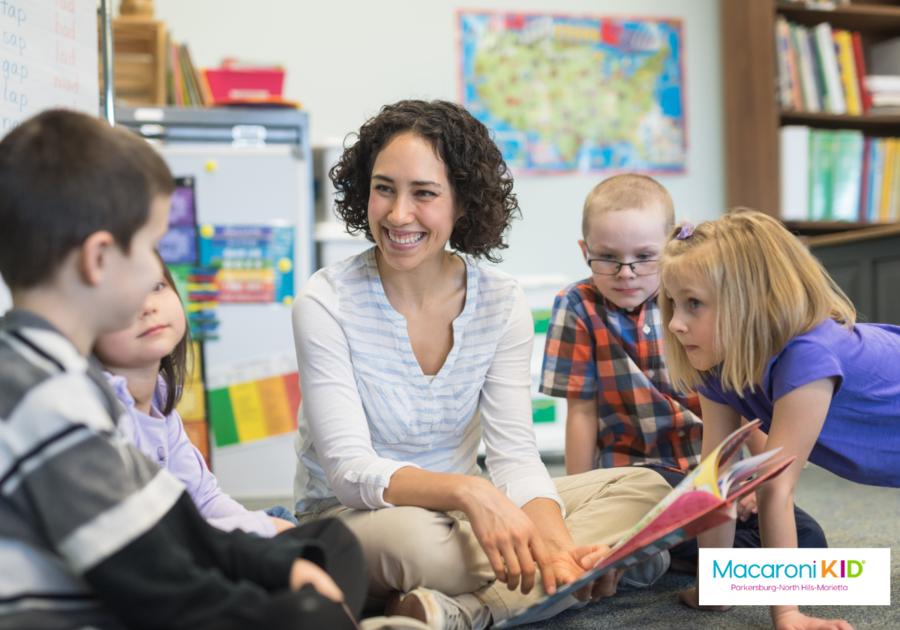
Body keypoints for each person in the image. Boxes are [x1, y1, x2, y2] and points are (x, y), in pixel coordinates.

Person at [291, 100, 673, 630]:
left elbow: (514, 455)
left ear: (463, 203)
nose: (399, 213)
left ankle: (466, 612)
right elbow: (350, 471)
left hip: (469, 517)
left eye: (424, 193)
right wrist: (472, 493)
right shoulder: (325, 300)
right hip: (356, 519)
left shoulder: (500, 300)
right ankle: (601, 564)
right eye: (384, 188)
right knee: (423, 545)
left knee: (649, 490)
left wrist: (558, 546)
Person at [0, 110, 367, 630]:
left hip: (144, 580)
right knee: (309, 615)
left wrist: (281, 566)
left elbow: (174, 525)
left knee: (320, 560)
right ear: (98, 260)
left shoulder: (57, 375)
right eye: (151, 247)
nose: (160, 271)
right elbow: (155, 583)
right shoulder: (43, 395)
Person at [539, 176, 827, 571]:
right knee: (653, 510)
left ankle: (652, 553)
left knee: (810, 541)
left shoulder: (700, 304)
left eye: (644, 256)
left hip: (711, 475)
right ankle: (646, 548)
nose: (626, 273)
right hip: (639, 482)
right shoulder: (577, 306)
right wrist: (578, 496)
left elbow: (742, 404)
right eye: (607, 257)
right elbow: (581, 412)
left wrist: (756, 483)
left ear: (671, 249)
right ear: (584, 251)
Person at [659, 209, 900, 630]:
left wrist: (787, 613)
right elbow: (717, 476)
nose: (676, 323)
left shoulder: (807, 353)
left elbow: (775, 487)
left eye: (693, 304)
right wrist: (717, 587)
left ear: (748, 302)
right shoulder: (717, 365)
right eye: (672, 304)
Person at [94, 252, 298, 537]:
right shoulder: (99, 410)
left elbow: (204, 498)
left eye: (156, 286)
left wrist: (267, 531)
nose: (148, 306)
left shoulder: (159, 398)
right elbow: (147, 532)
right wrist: (263, 530)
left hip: (179, 535)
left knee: (284, 523)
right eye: (122, 299)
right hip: (146, 547)